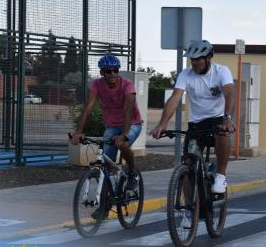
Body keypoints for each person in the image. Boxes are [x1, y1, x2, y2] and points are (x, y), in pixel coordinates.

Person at [150, 39, 235, 194]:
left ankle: (221, 175)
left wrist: (227, 117)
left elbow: (229, 93)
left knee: (223, 133)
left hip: (217, 120)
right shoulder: (186, 74)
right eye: (192, 59)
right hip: (196, 124)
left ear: (209, 58)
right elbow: (175, 98)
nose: (194, 63)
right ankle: (188, 210)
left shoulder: (221, 71)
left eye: (198, 59)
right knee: (188, 166)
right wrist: (162, 124)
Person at [72, 54, 143, 218]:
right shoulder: (96, 85)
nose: (112, 74)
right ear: (102, 72)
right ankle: (104, 206)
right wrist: (78, 131)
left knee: (123, 144)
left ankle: (132, 172)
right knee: (105, 168)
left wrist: (124, 134)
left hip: (132, 123)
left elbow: (128, 111)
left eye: (115, 70)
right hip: (111, 126)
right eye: (108, 71)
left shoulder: (128, 85)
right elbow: (88, 107)